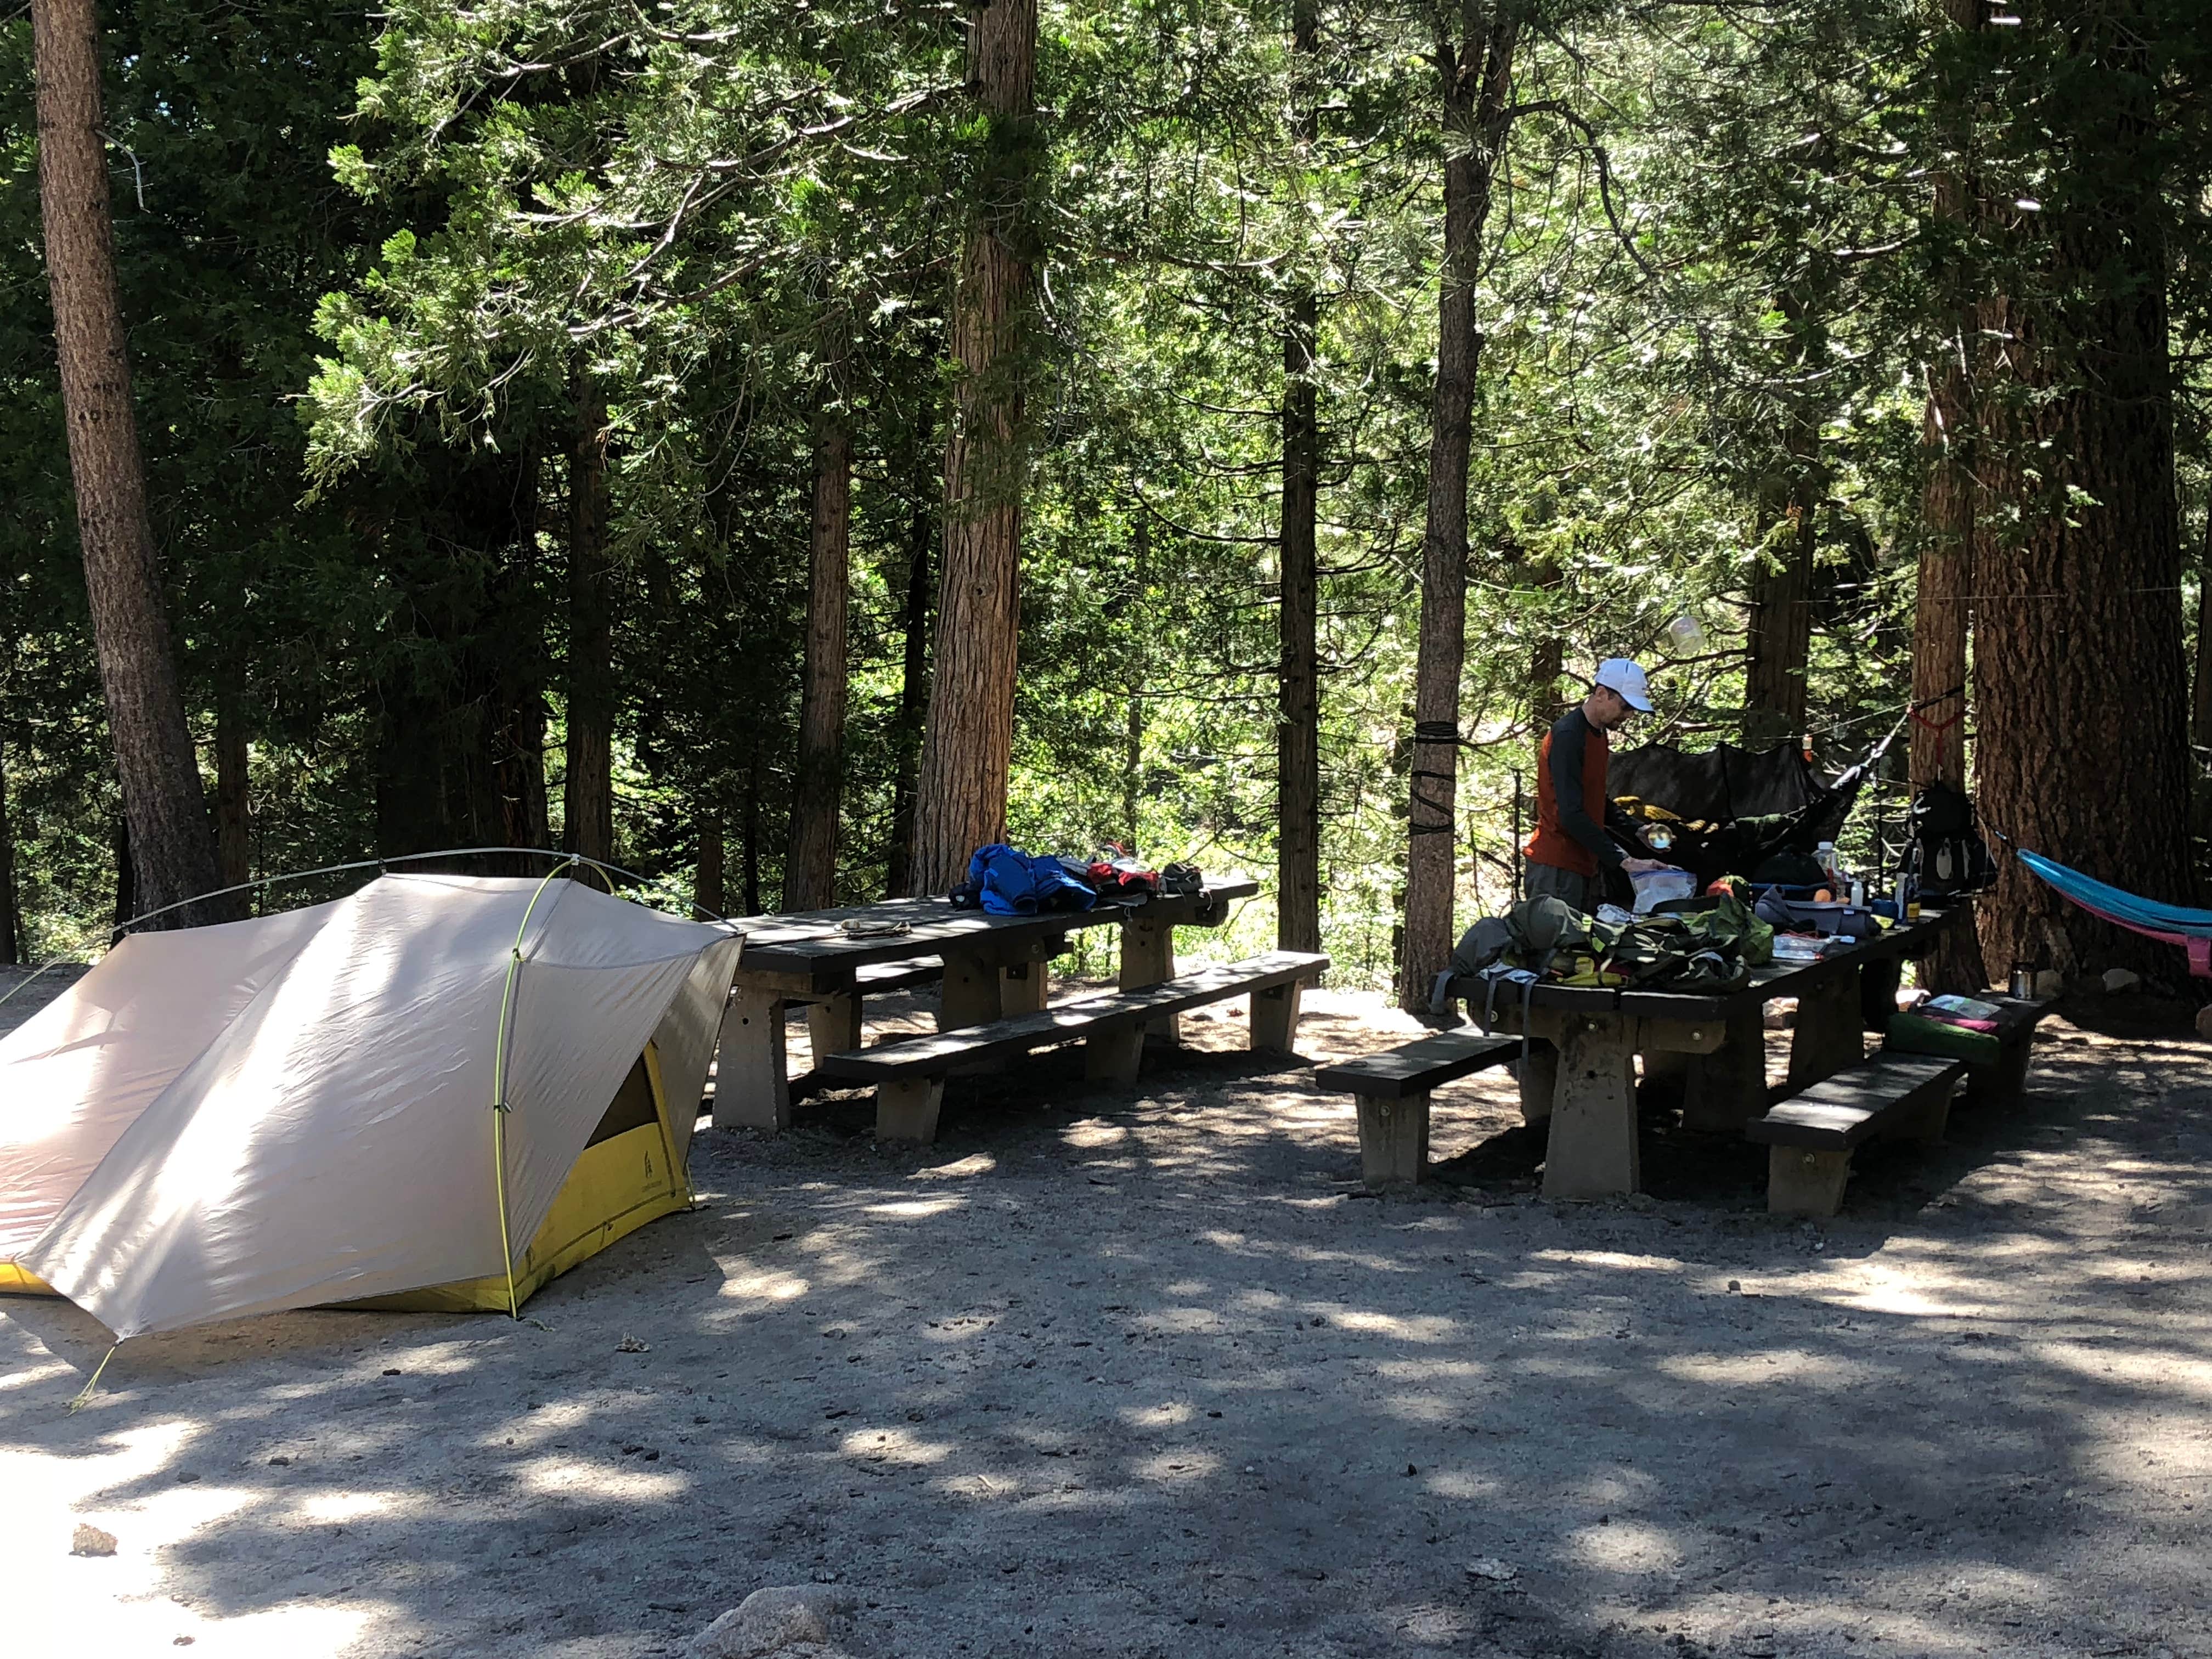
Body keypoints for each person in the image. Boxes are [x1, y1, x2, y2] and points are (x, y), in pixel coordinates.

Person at [1523, 658, 1669, 914]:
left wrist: (1638, 830)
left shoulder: (1599, 734)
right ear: (1602, 694)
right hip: (1556, 867)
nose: (1628, 715)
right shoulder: (1568, 735)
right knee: (1554, 951)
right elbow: (1570, 814)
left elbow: (1595, 798)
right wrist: (1623, 859)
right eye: (1625, 707)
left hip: (1583, 864)